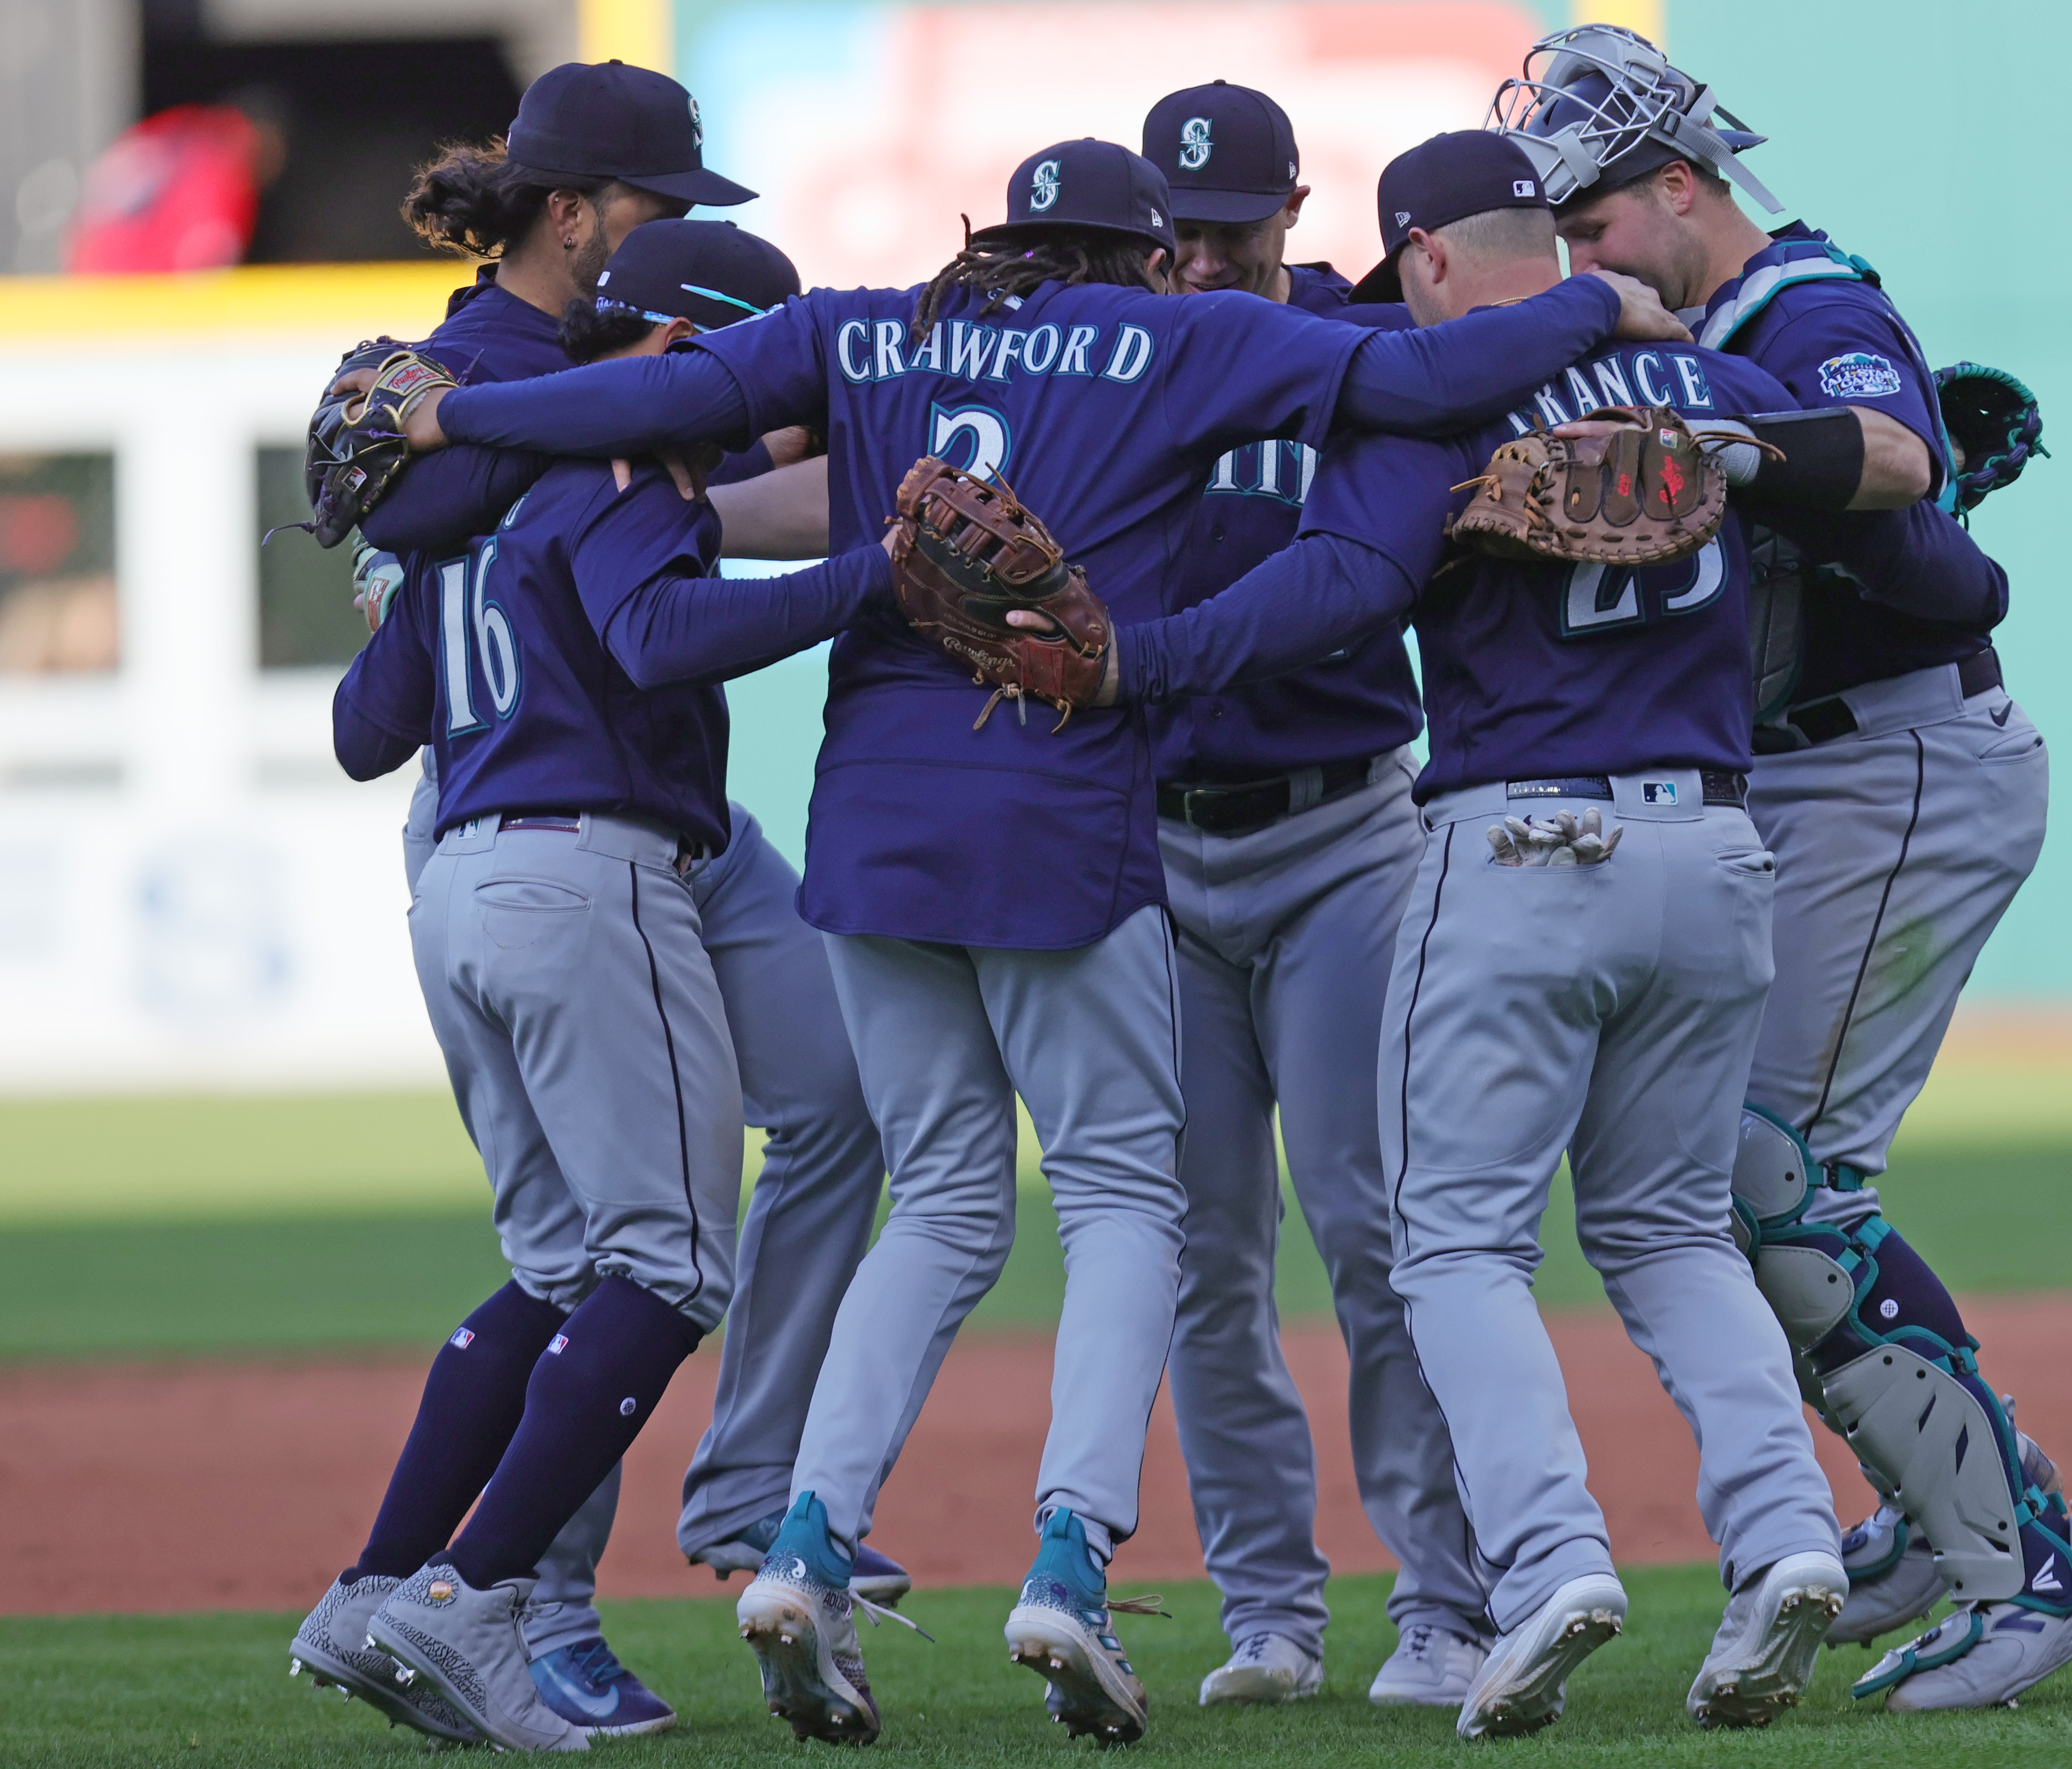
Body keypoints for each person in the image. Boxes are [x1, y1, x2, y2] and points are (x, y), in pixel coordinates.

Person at [397, 135, 1692, 1747]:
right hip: (1060, 808)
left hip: (871, 825)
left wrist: (452, 412)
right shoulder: (1183, 333)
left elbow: (646, 407)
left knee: (934, 1199)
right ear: (1148, 254)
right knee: (1121, 1199)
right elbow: (1439, 385)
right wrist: (1605, 306)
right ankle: (1068, 1561)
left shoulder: (866, 324)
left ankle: (802, 1542)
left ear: (1001, 238)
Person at [1095, 130, 2030, 1737]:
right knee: (1667, 1236)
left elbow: (1329, 596)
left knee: (1452, 1240)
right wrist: (1765, 462)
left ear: (1429, 260)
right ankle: (1786, 1541)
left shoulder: (1439, 395)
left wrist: (1138, 659)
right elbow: (1958, 574)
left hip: (1516, 847)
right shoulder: (1708, 389)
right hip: (1718, 855)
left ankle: (1547, 1567)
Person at [1503, 22, 2072, 1710]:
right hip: (1831, 765)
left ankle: (2032, 1562)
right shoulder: (1721, 321)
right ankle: (1941, 1522)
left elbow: (1897, 459)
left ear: (1675, 185)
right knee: (1736, 1177)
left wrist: (1739, 453)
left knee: (1771, 1176)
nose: (1585, 261)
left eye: (1596, 227)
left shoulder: (1801, 304)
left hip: (1896, 762)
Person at [292, 69, 899, 1741]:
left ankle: (401, 1583)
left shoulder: (561, 428)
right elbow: (648, 623)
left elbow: (364, 722)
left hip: (544, 835)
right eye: (659, 203)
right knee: (651, 1262)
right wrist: (876, 580)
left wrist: (414, 582)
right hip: (582, 843)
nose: (682, 226)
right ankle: (498, 1602)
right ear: (576, 215)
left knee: (750, 1160)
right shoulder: (530, 406)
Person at [1136, 80, 1490, 1708]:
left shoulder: (1357, 355)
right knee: (1204, 1254)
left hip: (1344, 834)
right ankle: (1267, 1613)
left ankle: (1444, 1603)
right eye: (1176, 229)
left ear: (1293, 217)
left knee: (1372, 1227)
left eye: (1231, 226)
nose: (1201, 255)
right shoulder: (1110, 356)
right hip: (1155, 851)